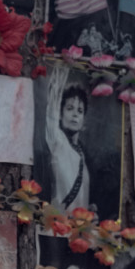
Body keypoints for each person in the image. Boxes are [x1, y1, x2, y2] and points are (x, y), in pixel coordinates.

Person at [41, 82, 93, 212]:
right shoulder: (58, 141)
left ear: (84, 120)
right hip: (58, 226)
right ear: (59, 114)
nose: (75, 114)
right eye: (69, 108)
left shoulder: (82, 154)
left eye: (80, 111)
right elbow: (52, 104)